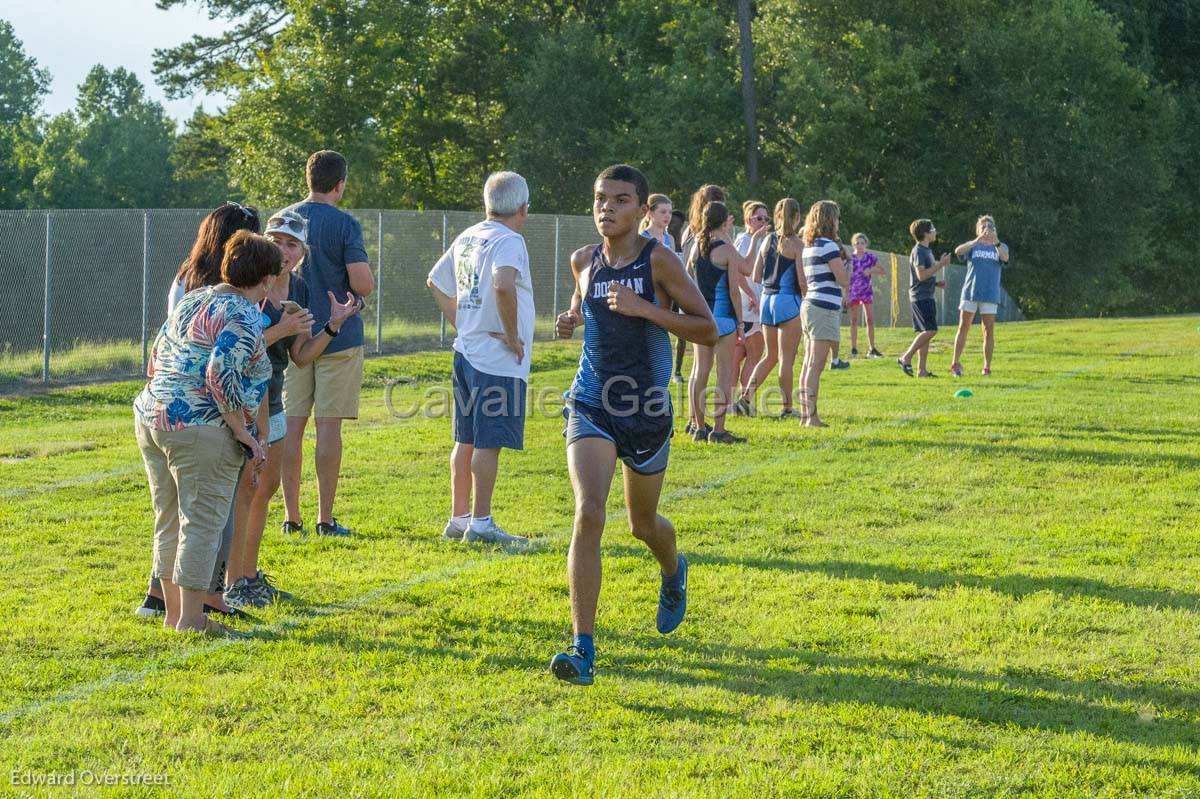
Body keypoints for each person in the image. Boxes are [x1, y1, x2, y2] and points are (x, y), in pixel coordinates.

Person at [551, 164, 717, 686]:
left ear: (643, 210)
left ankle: (673, 570)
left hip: (646, 411)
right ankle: (582, 650)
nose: (607, 208)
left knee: (643, 526)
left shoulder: (659, 260)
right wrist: (571, 318)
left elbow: (707, 328)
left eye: (621, 200)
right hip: (592, 402)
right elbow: (583, 305)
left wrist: (648, 309)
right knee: (588, 512)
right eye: (601, 198)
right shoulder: (583, 260)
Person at [134, 231, 277, 635]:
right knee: (201, 522)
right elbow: (221, 373)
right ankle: (193, 620)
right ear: (265, 279)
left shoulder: (195, 298)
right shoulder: (246, 315)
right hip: (201, 426)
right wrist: (243, 432)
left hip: (153, 413)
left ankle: (172, 613)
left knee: (168, 519)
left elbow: (158, 352)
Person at [223, 211, 363, 608]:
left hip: (274, 398)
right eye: (276, 240)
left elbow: (300, 356)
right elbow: (234, 349)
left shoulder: (298, 288)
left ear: (303, 253)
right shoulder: (252, 284)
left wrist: (332, 326)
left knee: (264, 490)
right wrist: (280, 330)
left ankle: (248, 577)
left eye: (291, 244)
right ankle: (234, 580)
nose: (283, 251)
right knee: (246, 492)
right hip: (244, 403)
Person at [426, 172, 534, 546]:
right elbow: (503, 284)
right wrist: (511, 335)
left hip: (467, 352)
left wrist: (463, 321)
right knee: (488, 442)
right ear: (522, 208)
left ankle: (459, 517)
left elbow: (435, 281)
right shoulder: (510, 239)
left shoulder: (468, 235)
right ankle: (482, 522)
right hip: (495, 358)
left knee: (466, 438)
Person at [280, 150, 373, 537]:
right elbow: (363, 283)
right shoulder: (345, 224)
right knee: (329, 429)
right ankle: (325, 518)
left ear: (308, 179)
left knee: (291, 428)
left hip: (292, 334)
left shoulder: (283, 219)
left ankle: (291, 517)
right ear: (340, 184)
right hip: (337, 336)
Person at [687, 201, 751, 443]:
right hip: (723, 320)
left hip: (701, 319)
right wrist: (741, 324)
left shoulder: (695, 247)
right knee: (724, 373)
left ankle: (698, 427)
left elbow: (690, 284)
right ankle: (719, 430)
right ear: (725, 222)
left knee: (699, 371)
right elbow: (734, 291)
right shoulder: (726, 249)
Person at [736, 198, 804, 419]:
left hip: (766, 299)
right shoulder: (797, 244)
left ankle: (745, 398)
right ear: (797, 218)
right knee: (786, 359)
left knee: (770, 356)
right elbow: (802, 282)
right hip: (787, 301)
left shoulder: (767, 241)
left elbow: (755, 275)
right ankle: (787, 408)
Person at [797, 200, 850, 427]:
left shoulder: (810, 245)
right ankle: (811, 417)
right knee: (816, 365)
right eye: (836, 218)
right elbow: (843, 279)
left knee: (808, 363)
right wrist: (849, 265)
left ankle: (804, 415)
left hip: (810, 305)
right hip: (823, 307)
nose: (838, 222)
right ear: (829, 220)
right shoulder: (828, 246)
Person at [950, 215, 1009, 377]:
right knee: (963, 327)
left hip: (990, 294)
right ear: (978, 230)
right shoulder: (973, 246)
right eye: (983, 227)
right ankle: (955, 364)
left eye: (990, 227)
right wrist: (976, 240)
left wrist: (995, 242)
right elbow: (957, 251)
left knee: (988, 330)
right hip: (970, 292)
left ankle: (986, 367)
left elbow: (1005, 257)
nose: (987, 230)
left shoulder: (1000, 246)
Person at [898, 219, 951, 377]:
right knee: (931, 330)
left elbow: (922, 276)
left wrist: (935, 283)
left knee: (925, 333)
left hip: (926, 294)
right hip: (920, 297)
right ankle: (905, 357)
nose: (935, 231)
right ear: (926, 233)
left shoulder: (926, 250)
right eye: (933, 229)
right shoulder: (919, 251)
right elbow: (921, 276)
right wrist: (940, 264)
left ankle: (922, 370)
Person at [732, 201, 769, 407]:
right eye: (758, 218)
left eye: (766, 218)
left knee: (749, 355)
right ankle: (741, 402)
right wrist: (751, 296)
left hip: (754, 306)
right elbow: (736, 272)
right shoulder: (744, 240)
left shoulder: (762, 241)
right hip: (747, 306)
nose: (763, 222)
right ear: (748, 219)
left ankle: (738, 402)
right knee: (747, 355)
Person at [848, 233, 883, 358]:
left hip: (866, 291)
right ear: (853, 244)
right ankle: (853, 348)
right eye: (857, 243)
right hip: (853, 292)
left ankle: (872, 348)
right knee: (854, 320)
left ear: (866, 244)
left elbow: (882, 271)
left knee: (870, 319)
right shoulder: (850, 258)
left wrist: (871, 270)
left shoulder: (870, 257)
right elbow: (845, 274)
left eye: (862, 243)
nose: (860, 245)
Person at [667, 209, 689, 382]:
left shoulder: (685, 244)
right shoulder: (663, 242)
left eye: (675, 223)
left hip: (681, 293)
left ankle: (677, 371)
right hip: (665, 292)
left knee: (682, 333)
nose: (670, 225)